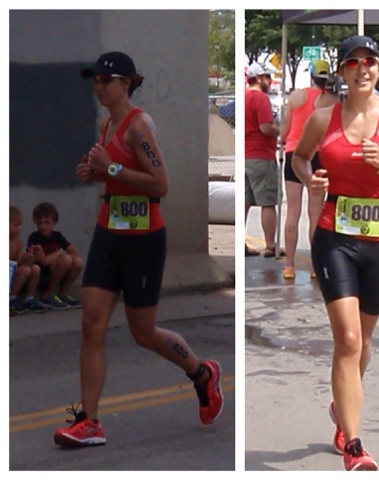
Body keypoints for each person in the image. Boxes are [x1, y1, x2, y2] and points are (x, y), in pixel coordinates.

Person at [53, 51, 223, 447]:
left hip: (143, 238)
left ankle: (202, 373)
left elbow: (160, 184)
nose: (99, 86)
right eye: (95, 80)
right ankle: (90, 421)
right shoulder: (106, 125)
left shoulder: (139, 125)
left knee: (143, 332)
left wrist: (110, 168)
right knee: (91, 322)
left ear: (126, 83)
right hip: (109, 231)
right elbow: (114, 174)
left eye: (106, 80)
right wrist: (96, 173)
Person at [292, 35, 379, 470]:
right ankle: (354, 446)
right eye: (353, 63)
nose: (362, 69)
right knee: (348, 339)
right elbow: (298, 158)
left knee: (363, 342)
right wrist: (311, 177)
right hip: (334, 236)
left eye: (369, 61)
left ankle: (342, 407)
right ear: (342, 72)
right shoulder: (322, 118)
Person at [280, 59, 338, 279]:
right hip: (318, 156)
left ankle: (289, 265)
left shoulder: (296, 97)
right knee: (316, 214)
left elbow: (285, 131)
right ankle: (316, 266)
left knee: (292, 211)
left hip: (294, 153)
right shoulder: (332, 101)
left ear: (311, 75)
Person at [245, 62, 284, 258]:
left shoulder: (244, 96)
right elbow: (265, 127)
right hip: (261, 155)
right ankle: (270, 245)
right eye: (267, 76)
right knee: (268, 202)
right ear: (259, 78)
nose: (270, 81)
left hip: (245, 155)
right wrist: (281, 132)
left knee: (244, 203)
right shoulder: (260, 98)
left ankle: (241, 243)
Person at [27, 202, 84, 310]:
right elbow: (43, 262)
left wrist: (64, 257)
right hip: (42, 275)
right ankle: (47, 296)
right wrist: (58, 254)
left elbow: (74, 253)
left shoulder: (57, 236)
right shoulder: (34, 238)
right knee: (66, 259)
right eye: (39, 223)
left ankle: (62, 294)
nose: (43, 226)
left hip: (58, 271)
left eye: (47, 222)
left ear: (54, 222)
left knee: (78, 262)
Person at [9, 206, 47, 315]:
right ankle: (11, 299)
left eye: (20, 225)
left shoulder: (18, 242)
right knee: (25, 270)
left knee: (35, 268)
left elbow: (19, 261)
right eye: (16, 225)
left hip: (12, 271)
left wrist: (32, 257)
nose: (19, 228)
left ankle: (29, 299)